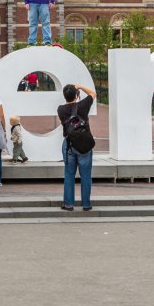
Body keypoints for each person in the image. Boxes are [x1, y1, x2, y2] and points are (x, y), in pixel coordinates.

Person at [58, 82, 98, 211]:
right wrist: (80, 86)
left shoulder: (61, 109)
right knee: (86, 175)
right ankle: (86, 204)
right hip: (85, 145)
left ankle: (68, 204)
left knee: (69, 175)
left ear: (64, 96)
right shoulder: (83, 105)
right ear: (77, 95)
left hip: (69, 144)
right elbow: (93, 94)